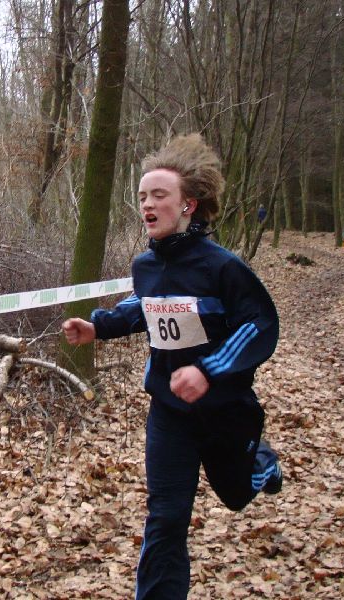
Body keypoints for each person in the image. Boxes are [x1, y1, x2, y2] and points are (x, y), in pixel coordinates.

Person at [62, 134, 282, 599]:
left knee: (237, 494)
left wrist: (208, 370)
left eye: (158, 195)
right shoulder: (146, 266)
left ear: (188, 205)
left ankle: (262, 460)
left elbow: (259, 324)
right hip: (169, 411)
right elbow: (143, 306)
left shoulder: (222, 267)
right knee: (165, 517)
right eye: (142, 196)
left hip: (223, 410)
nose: (147, 203)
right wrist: (97, 326)